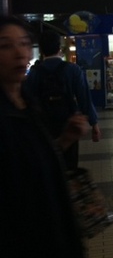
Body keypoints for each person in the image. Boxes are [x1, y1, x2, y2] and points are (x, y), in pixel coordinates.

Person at [0, 15, 89, 258]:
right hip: (18, 251)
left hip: (48, 237)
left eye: (24, 43)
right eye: (6, 45)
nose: (19, 52)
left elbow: (36, 163)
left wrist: (64, 140)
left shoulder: (28, 102)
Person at [26, 30, 101, 171]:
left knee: (48, 162)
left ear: (41, 50)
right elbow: (84, 98)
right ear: (59, 48)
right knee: (70, 165)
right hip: (70, 124)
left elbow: (27, 101)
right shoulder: (73, 70)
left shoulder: (35, 72)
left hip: (44, 126)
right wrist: (94, 124)